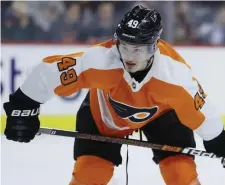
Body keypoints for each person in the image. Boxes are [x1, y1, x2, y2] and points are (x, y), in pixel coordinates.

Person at [3, 5, 225, 185]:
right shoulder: (102, 59)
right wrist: (23, 106)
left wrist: (220, 141)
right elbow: (48, 72)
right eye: (125, 46)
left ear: (154, 47)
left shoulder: (175, 77)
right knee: (89, 176)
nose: (129, 56)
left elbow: (204, 115)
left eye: (137, 49)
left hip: (163, 114)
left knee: (181, 175)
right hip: (105, 115)